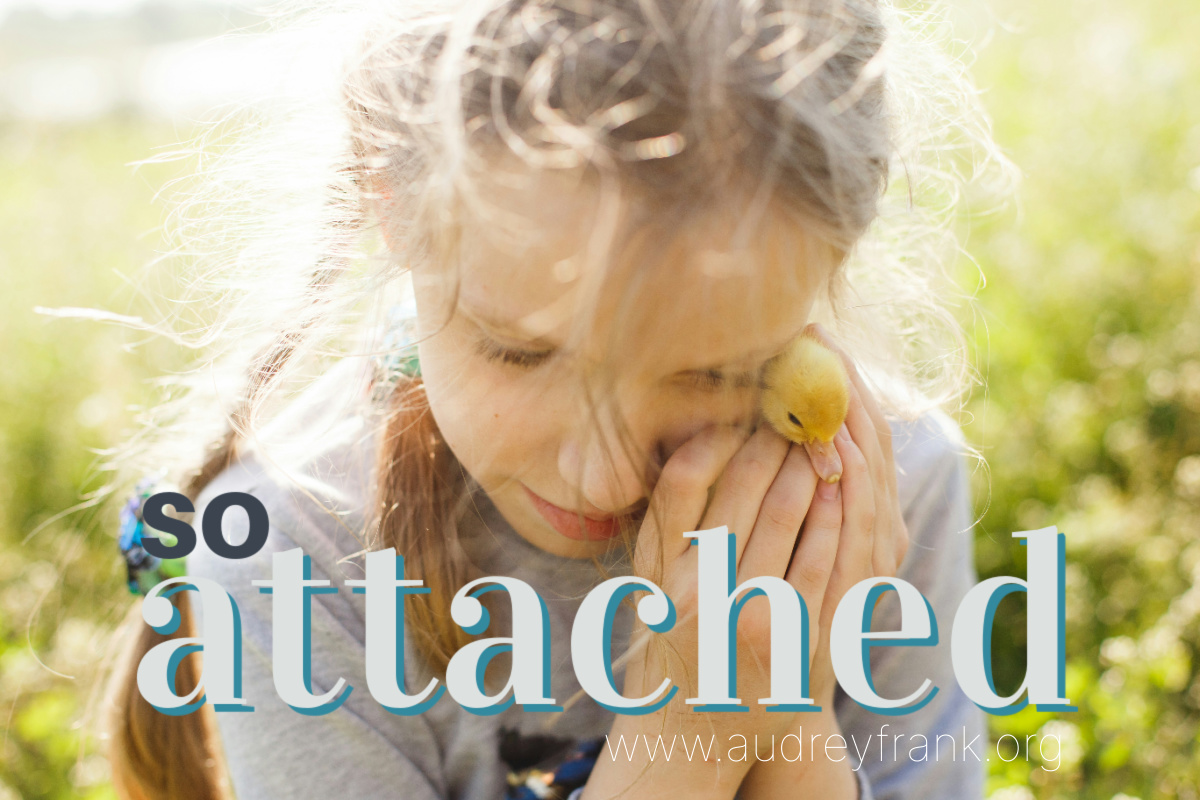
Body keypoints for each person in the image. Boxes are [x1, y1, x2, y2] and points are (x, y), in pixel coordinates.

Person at [103, 0, 1011, 797]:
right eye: (517, 352)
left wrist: (791, 709)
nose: (604, 475)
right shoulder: (295, 557)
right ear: (391, 207)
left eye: (715, 371)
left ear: (834, 253)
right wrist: (694, 730)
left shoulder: (887, 494)